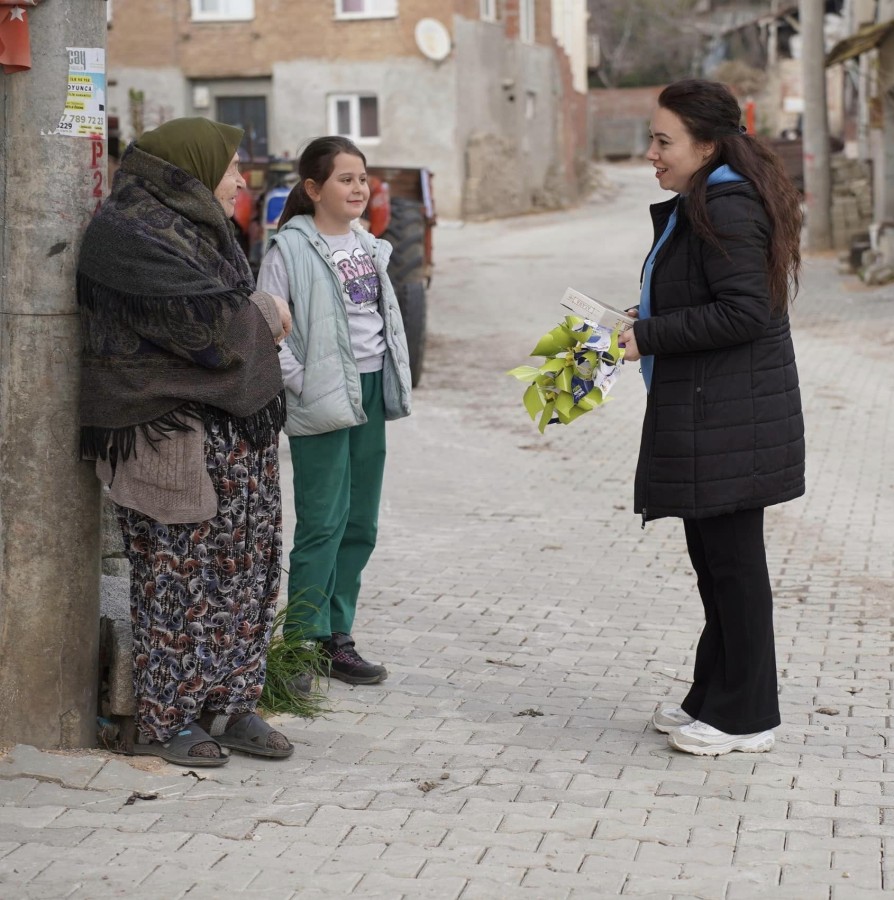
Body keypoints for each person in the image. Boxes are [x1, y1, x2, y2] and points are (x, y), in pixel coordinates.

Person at [78, 117, 295, 767]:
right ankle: (163, 720)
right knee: (177, 584)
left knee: (241, 577)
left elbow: (224, 311)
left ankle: (228, 705)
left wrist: (249, 312)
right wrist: (261, 313)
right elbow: (211, 325)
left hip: (230, 431)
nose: (239, 180)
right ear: (191, 168)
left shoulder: (194, 223)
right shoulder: (130, 233)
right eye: (230, 168)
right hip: (168, 435)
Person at [619, 80, 805, 756]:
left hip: (734, 417)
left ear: (705, 145)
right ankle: (713, 696)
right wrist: (647, 320)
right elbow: (710, 297)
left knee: (734, 568)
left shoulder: (725, 206)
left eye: (664, 141)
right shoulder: (706, 199)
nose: (652, 153)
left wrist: (650, 336)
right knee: (715, 564)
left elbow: (743, 312)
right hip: (716, 412)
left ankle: (749, 717)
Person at [256, 136, 411, 691]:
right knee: (322, 521)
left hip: (368, 391)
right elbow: (269, 330)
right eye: (345, 179)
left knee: (360, 521)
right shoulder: (288, 251)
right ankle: (299, 640)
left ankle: (336, 637)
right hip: (321, 398)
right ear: (313, 188)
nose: (358, 188)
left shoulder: (369, 244)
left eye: (362, 178)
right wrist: (303, 383)